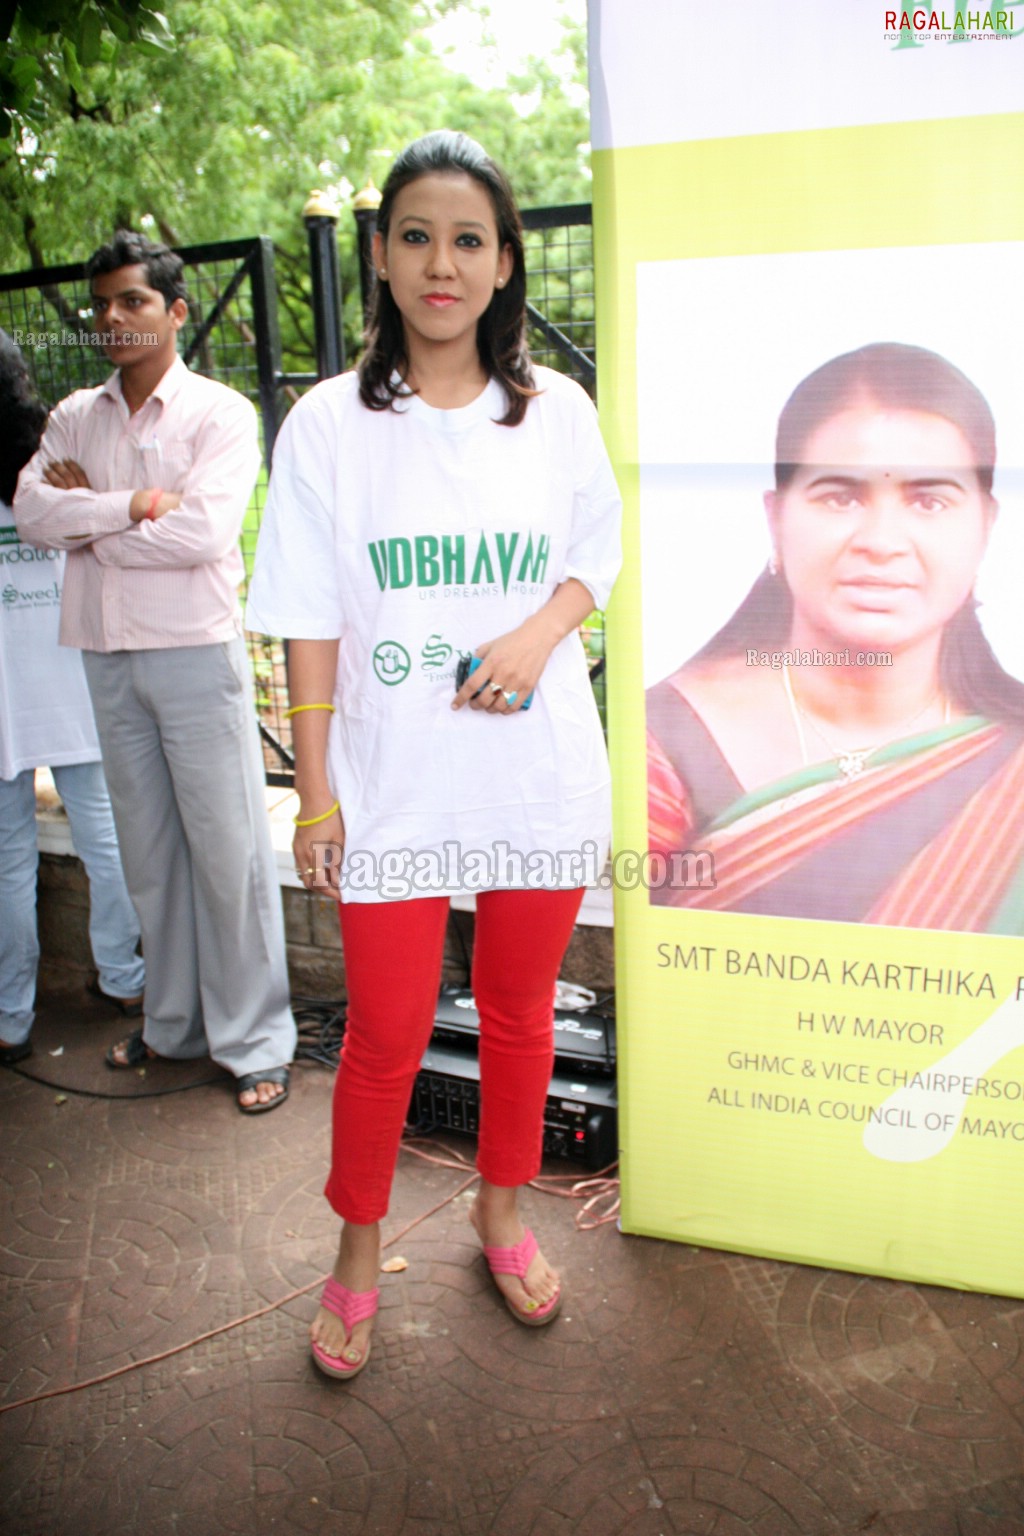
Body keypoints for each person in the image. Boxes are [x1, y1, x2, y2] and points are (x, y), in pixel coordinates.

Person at [246, 130, 621, 1378]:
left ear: (507, 262)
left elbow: (596, 557)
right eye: (416, 237)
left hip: (537, 774)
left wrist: (534, 635)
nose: (442, 263)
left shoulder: (554, 413)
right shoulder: (327, 428)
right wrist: (315, 793)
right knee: (386, 1032)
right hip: (393, 782)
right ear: (382, 258)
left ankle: (500, 1215)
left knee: (519, 1014)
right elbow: (303, 612)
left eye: (469, 239)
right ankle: (355, 1255)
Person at [14, 231, 296, 1110]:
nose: (112, 318)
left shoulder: (219, 413)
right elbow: (30, 513)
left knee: (231, 853)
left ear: (175, 311)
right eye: (100, 304)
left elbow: (205, 535)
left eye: (132, 301)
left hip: (191, 654)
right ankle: (175, 1024)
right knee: (149, 854)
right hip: (104, 655)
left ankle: (255, 1043)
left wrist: (85, 519)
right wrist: (132, 506)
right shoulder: (73, 416)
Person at [646, 341, 1024, 931]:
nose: (882, 540)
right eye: (841, 497)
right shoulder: (662, 742)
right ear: (776, 519)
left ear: (985, 526)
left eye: (928, 501)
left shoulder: (1013, 760)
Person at [1, 330, 145, 1064]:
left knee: (6, 857)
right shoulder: (60, 453)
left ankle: (10, 1018)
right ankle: (124, 980)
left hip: (5, 688)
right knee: (105, 836)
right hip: (73, 665)